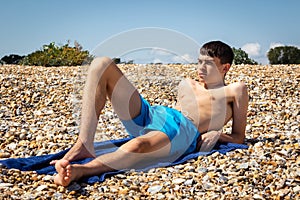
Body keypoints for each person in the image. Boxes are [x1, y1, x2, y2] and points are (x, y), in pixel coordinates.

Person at [51, 41, 248, 186]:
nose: (200, 68)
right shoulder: (188, 83)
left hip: (183, 129)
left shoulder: (235, 90)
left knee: (139, 144)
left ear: (225, 67)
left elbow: (239, 136)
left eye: (208, 64)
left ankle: (81, 170)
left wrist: (217, 135)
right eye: (199, 62)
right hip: (156, 113)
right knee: (101, 64)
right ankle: (84, 144)